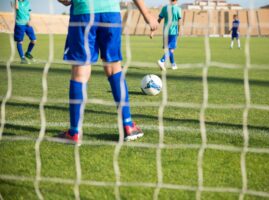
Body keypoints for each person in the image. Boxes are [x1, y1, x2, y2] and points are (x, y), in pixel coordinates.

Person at [57, 0, 158, 143]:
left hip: (84, 12)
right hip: (110, 13)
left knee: (80, 71)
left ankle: (74, 132)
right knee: (114, 67)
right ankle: (128, 125)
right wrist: (146, 14)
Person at [157, 0, 182, 71]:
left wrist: (154, 29)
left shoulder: (164, 8)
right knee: (172, 49)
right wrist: (179, 31)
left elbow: (159, 19)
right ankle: (162, 61)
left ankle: (173, 64)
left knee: (169, 49)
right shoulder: (178, 9)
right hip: (173, 32)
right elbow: (179, 21)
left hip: (165, 31)